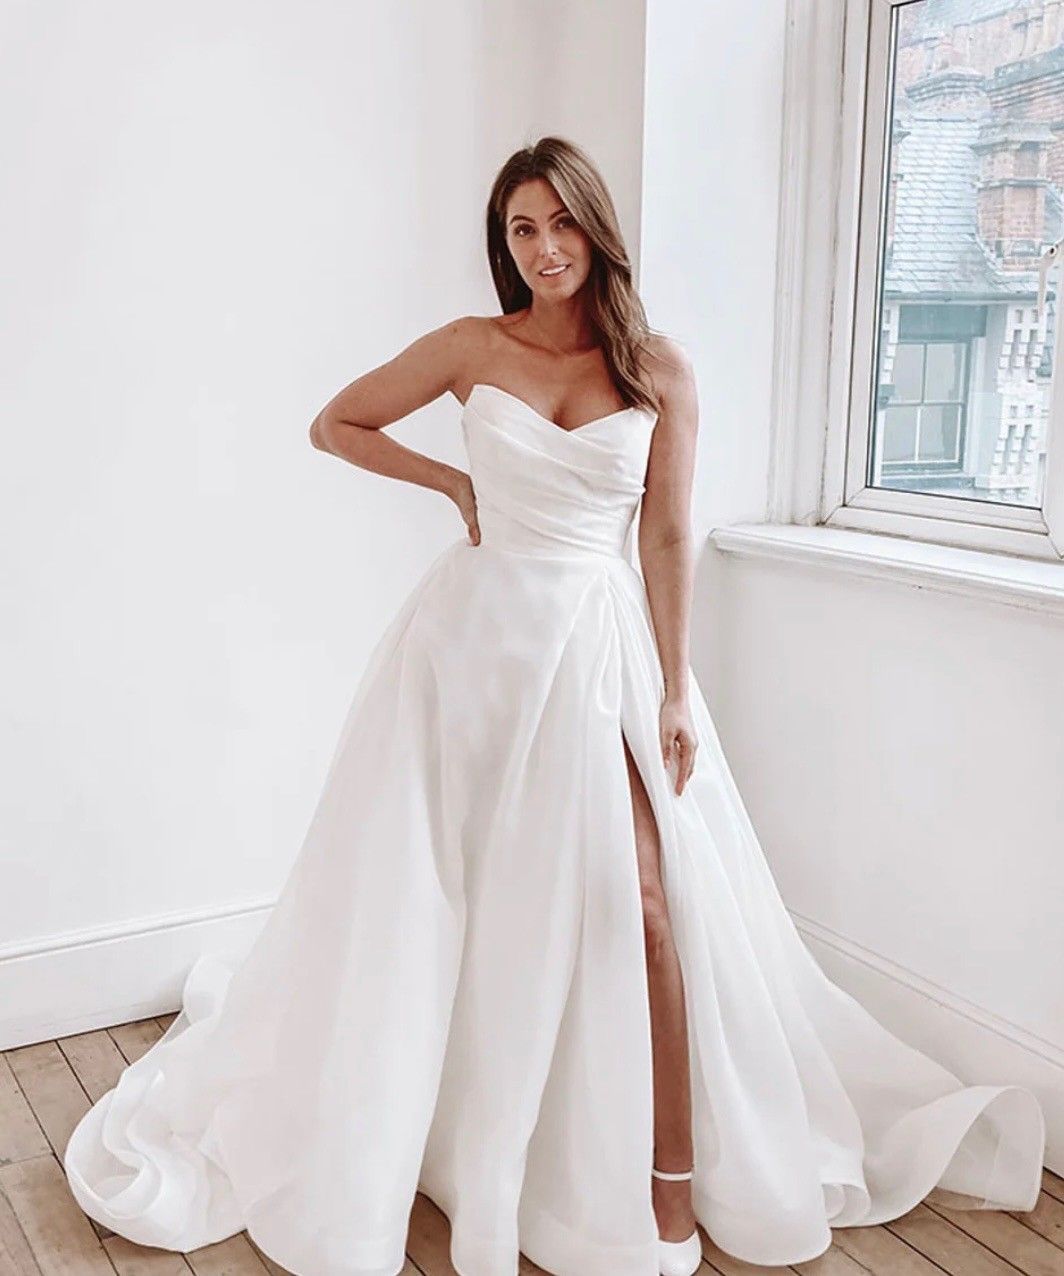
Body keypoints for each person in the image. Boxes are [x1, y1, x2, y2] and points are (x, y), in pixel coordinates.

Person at [63, 136, 1045, 1276]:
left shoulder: (658, 368)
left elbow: (665, 535)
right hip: (469, 652)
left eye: (560, 223)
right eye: (521, 229)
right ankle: (460, 1146)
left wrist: (673, 688)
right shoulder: (470, 346)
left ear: (595, 226)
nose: (543, 248)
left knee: (646, 902)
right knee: (450, 900)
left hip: (597, 652)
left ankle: (665, 1181)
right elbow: (335, 423)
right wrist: (451, 481)